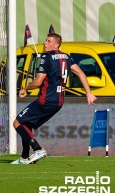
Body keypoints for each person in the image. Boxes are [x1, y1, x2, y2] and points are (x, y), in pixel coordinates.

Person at [11, 33, 97, 164]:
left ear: (56, 45)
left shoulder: (47, 57)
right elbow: (80, 73)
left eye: (49, 41)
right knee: (26, 124)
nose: (45, 43)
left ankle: (38, 149)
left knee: (17, 123)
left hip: (46, 99)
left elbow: (38, 81)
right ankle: (24, 157)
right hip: (59, 102)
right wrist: (89, 93)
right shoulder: (67, 57)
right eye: (46, 40)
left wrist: (25, 89)